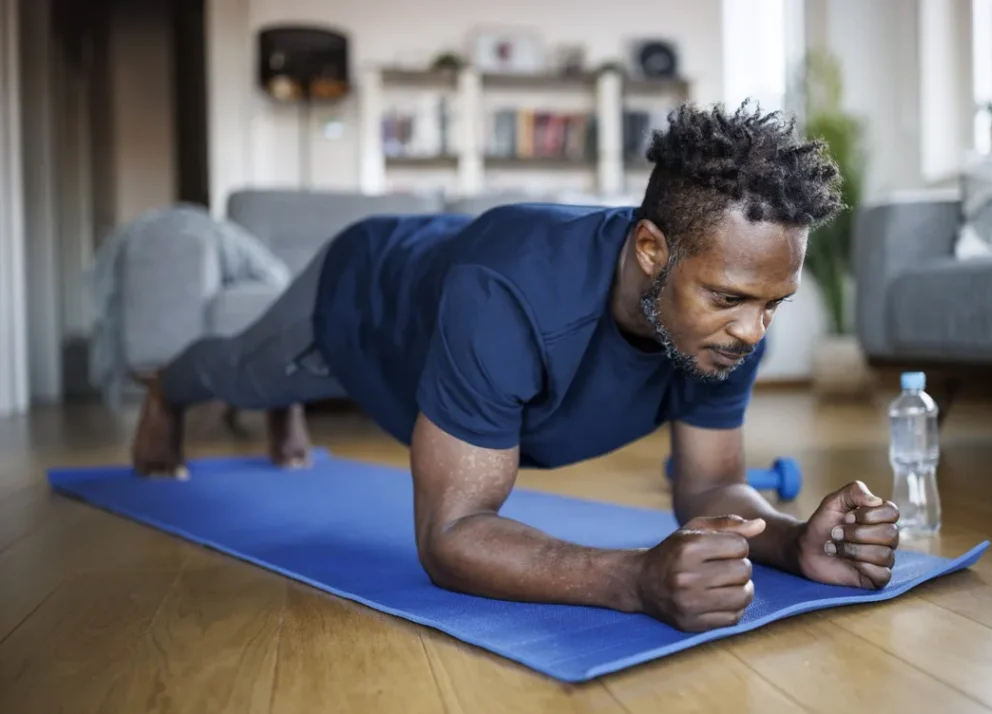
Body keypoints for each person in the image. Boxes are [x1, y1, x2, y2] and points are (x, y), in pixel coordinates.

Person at [131, 101, 900, 633]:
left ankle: (282, 411)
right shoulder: (509, 295)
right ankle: (166, 388)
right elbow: (452, 533)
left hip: (446, 295)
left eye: (775, 303)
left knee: (281, 393)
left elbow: (706, 487)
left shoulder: (725, 314)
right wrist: (633, 579)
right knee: (242, 372)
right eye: (733, 297)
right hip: (364, 299)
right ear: (651, 252)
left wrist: (791, 541)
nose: (754, 330)